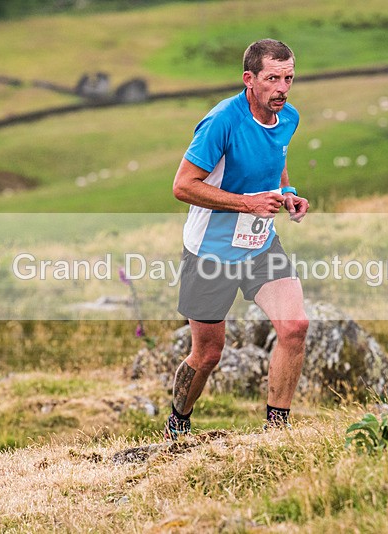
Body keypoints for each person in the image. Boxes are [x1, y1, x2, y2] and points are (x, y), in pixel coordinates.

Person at [165, 38, 310, 439]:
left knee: (295, 326)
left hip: (260, 245)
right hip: (209, 252)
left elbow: (275, 159)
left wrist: (287, 193)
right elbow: (182, 186)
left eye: (289, 78)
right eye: (272, 79)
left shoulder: (290, 118)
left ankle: (276, 433)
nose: (282, 88)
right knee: (208, 353)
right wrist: (247, 204)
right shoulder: (221, 122)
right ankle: (178, 422)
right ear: (249, 80)